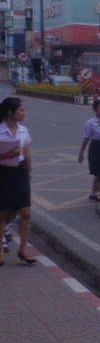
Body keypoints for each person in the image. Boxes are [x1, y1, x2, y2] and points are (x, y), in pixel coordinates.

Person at [0, 97, 36, 266]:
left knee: (25, 211)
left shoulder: (23, 131)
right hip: (3, 172)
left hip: (20, 172)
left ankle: (23, 249)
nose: (24, 113)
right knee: (3, 212)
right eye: (21, 110)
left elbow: (27, 153)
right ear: (10, 112)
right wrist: (8, 155)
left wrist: (28, 171)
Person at [78, 99, 100, 202]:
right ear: (95, 110)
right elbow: (86, 138)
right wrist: (81, 153)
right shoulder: (90, 123)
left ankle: (94, 193)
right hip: (97, 148)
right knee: (99, 173)